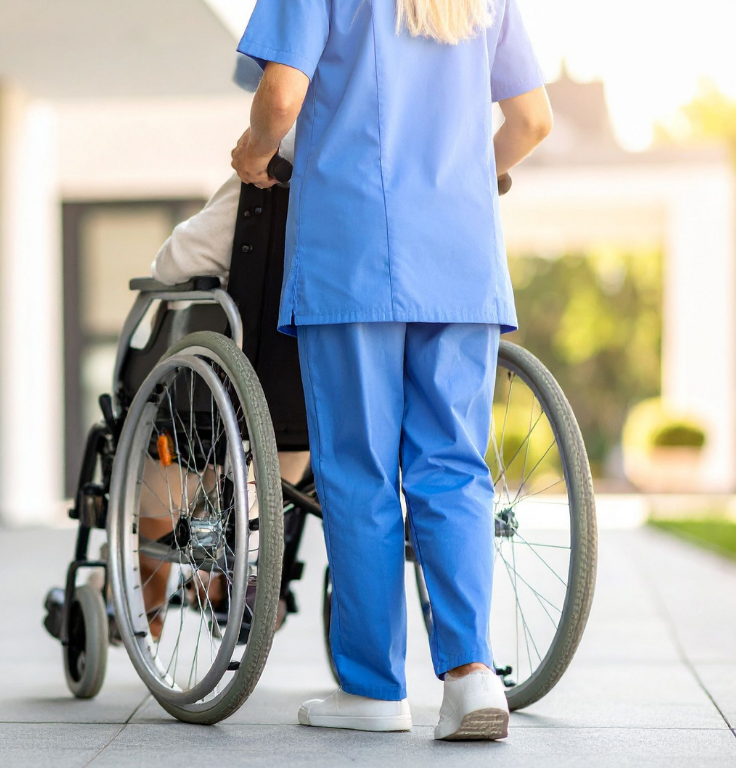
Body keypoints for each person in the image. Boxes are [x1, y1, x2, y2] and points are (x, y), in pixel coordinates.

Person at [223, 0, 552, 742]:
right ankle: (470, 679)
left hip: (355, 253)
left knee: (359, 469)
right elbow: (532, 121)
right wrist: (477, 173)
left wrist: (253, 151)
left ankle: (374, 688)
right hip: (461, 257)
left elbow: (280, 96)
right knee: (453, 465)